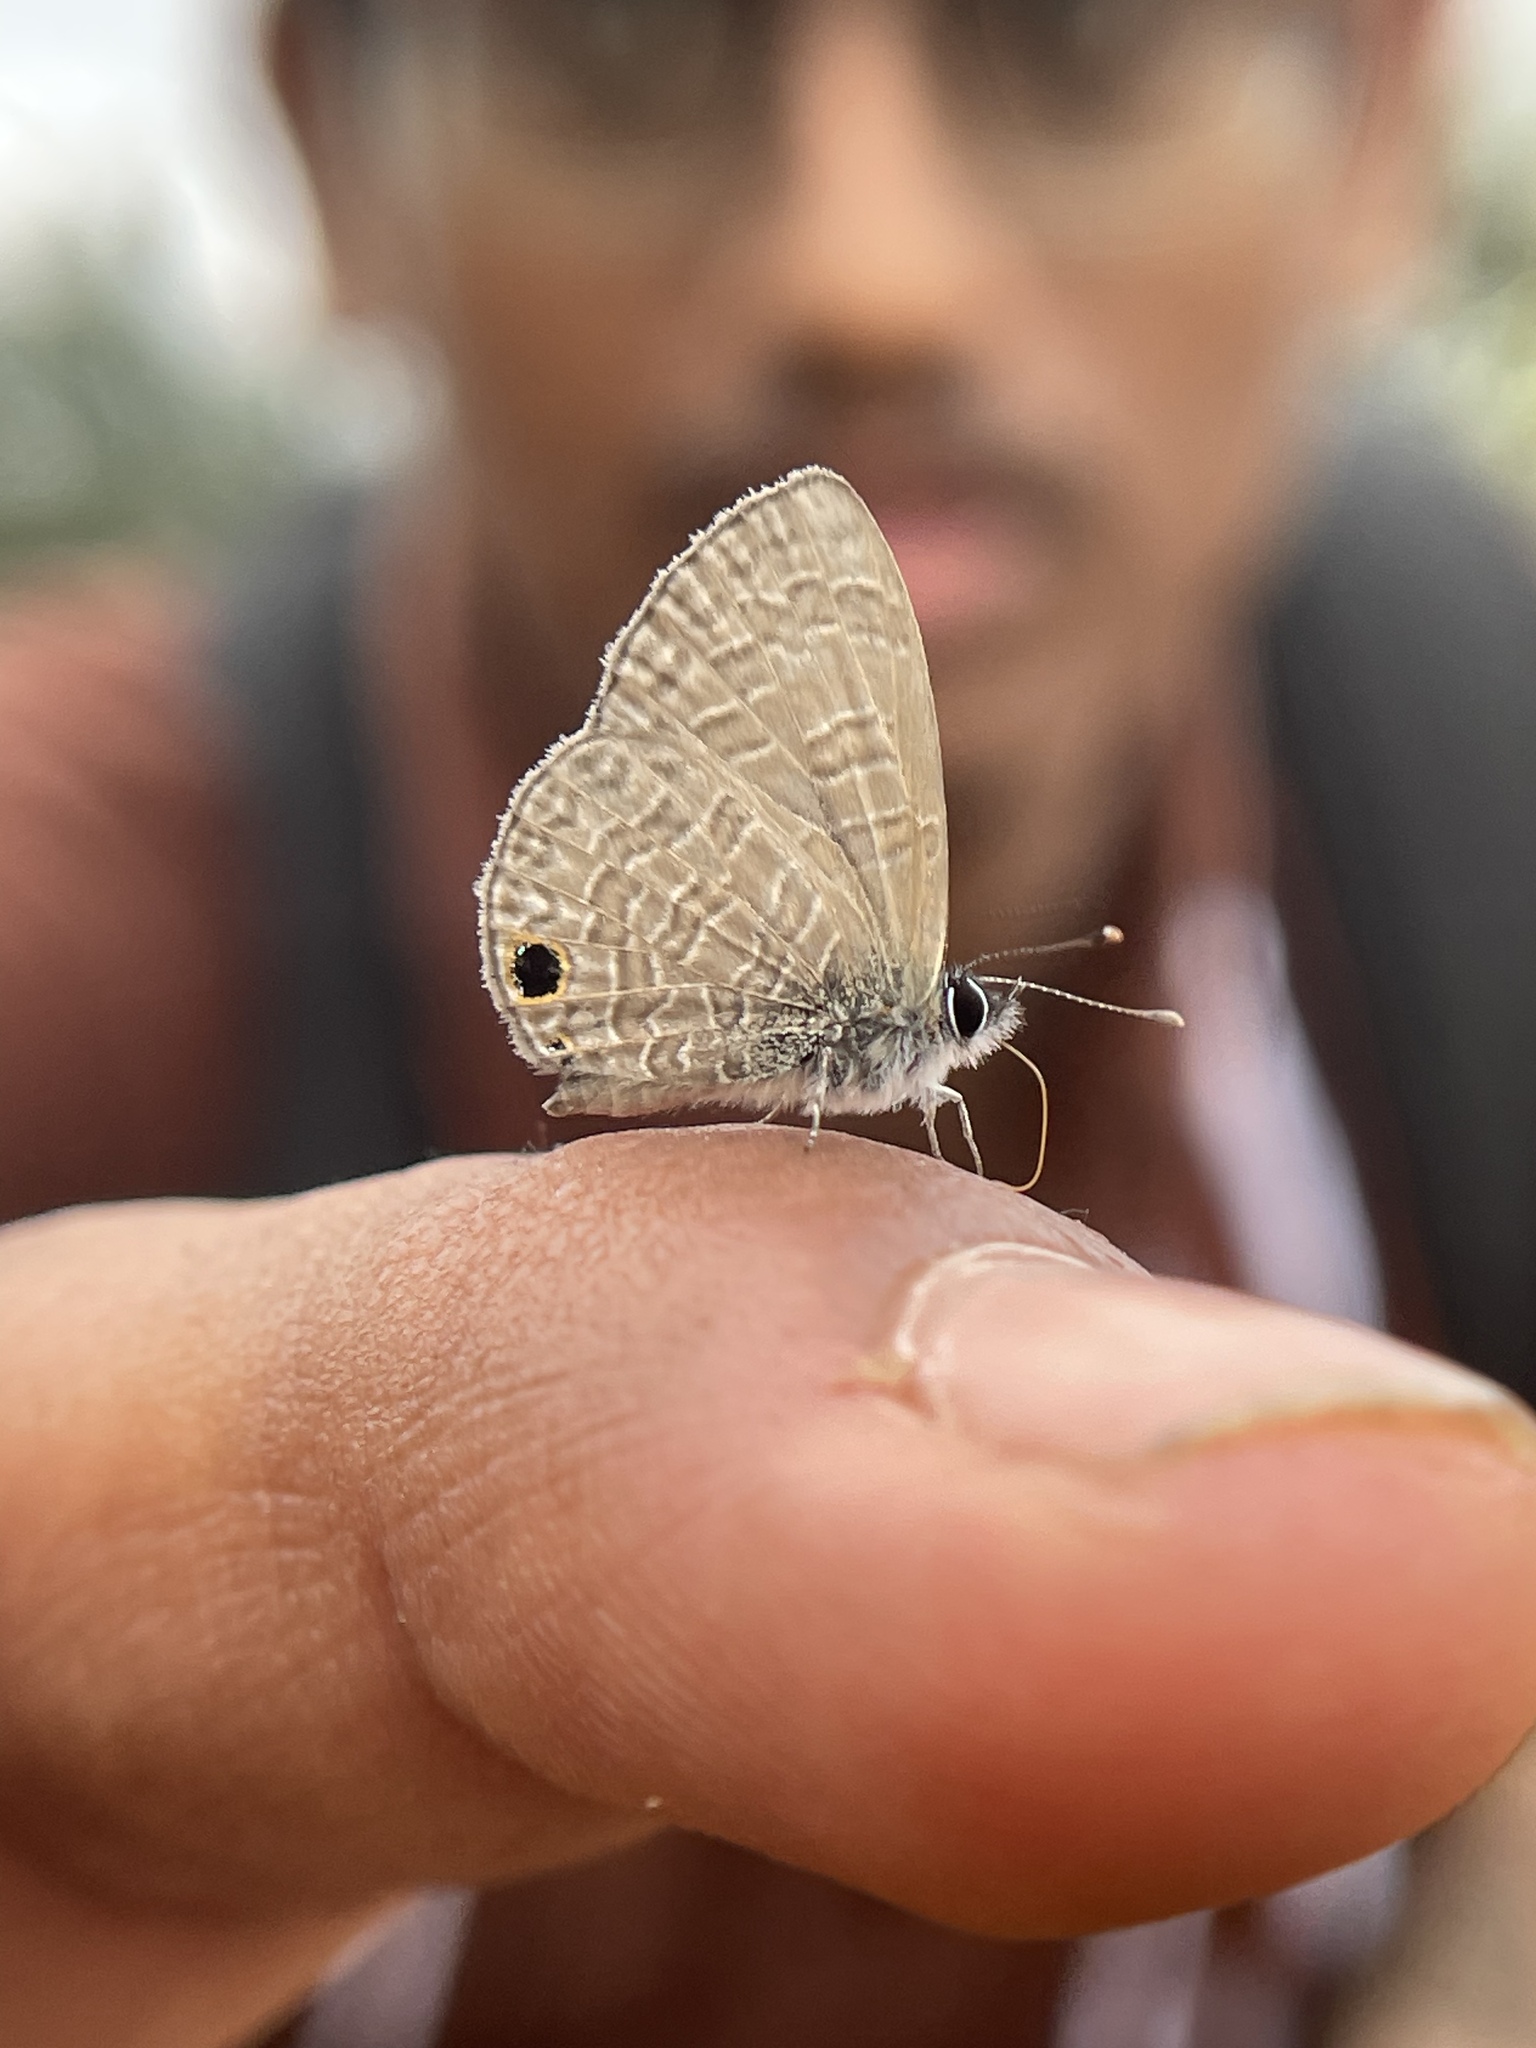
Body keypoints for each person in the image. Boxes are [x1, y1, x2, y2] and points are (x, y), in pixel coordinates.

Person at [3, 0, 1536, 2042]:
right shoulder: (73, 925)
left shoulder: (1482, 823)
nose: (865, 272)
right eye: (617, 38)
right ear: (333, 157)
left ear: (1380, 127)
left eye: (1093, 35)